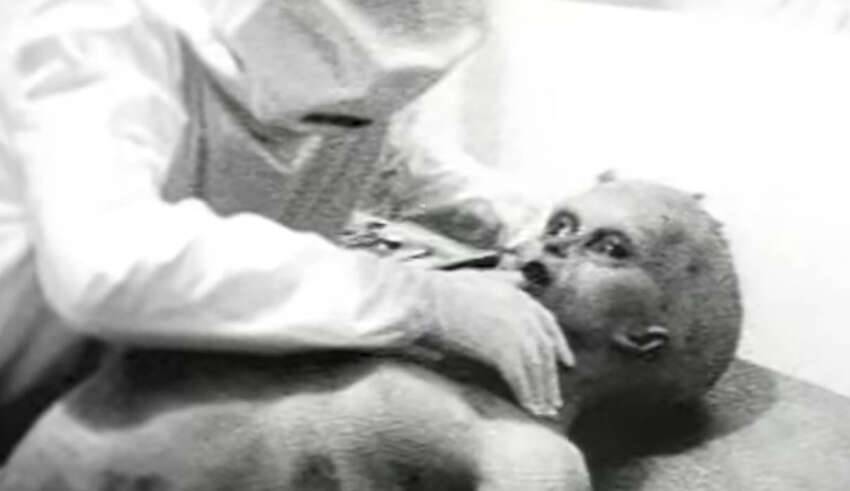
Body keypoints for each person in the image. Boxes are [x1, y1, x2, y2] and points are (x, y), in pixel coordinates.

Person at [0, 0, 572, 456]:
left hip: (153, 395)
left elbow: (401, 163)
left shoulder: (361, 71)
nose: (330, 128)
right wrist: (418, 301)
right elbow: (113, 269)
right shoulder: (98, 29)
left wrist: (547, 224)